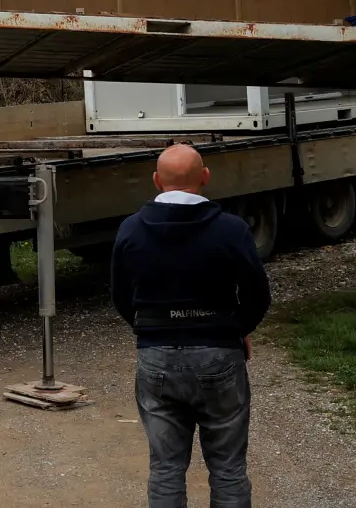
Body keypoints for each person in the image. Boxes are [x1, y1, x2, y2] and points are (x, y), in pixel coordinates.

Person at [110, 143, 272, 508]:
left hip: (156, 355)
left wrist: (149, 332)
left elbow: (120, 295)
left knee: (166, 468)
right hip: (219, 351)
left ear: (156, 180)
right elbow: (258, 294)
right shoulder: (231, 230)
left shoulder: (131, 230)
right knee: (228, 468)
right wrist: (236, 329)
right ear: (205, 177)